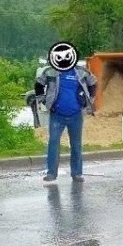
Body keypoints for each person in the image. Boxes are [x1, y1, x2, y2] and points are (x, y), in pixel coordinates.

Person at [34, 43, 98, 184]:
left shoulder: (81, 72)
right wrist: (42, 100)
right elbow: (39, 84)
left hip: (76, 115)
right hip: (57, 115)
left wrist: (90, 99)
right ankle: (51, 173)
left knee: (76, 145)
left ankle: (77, 174)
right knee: (53, 143)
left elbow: (93, 83)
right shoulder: (51, 72)